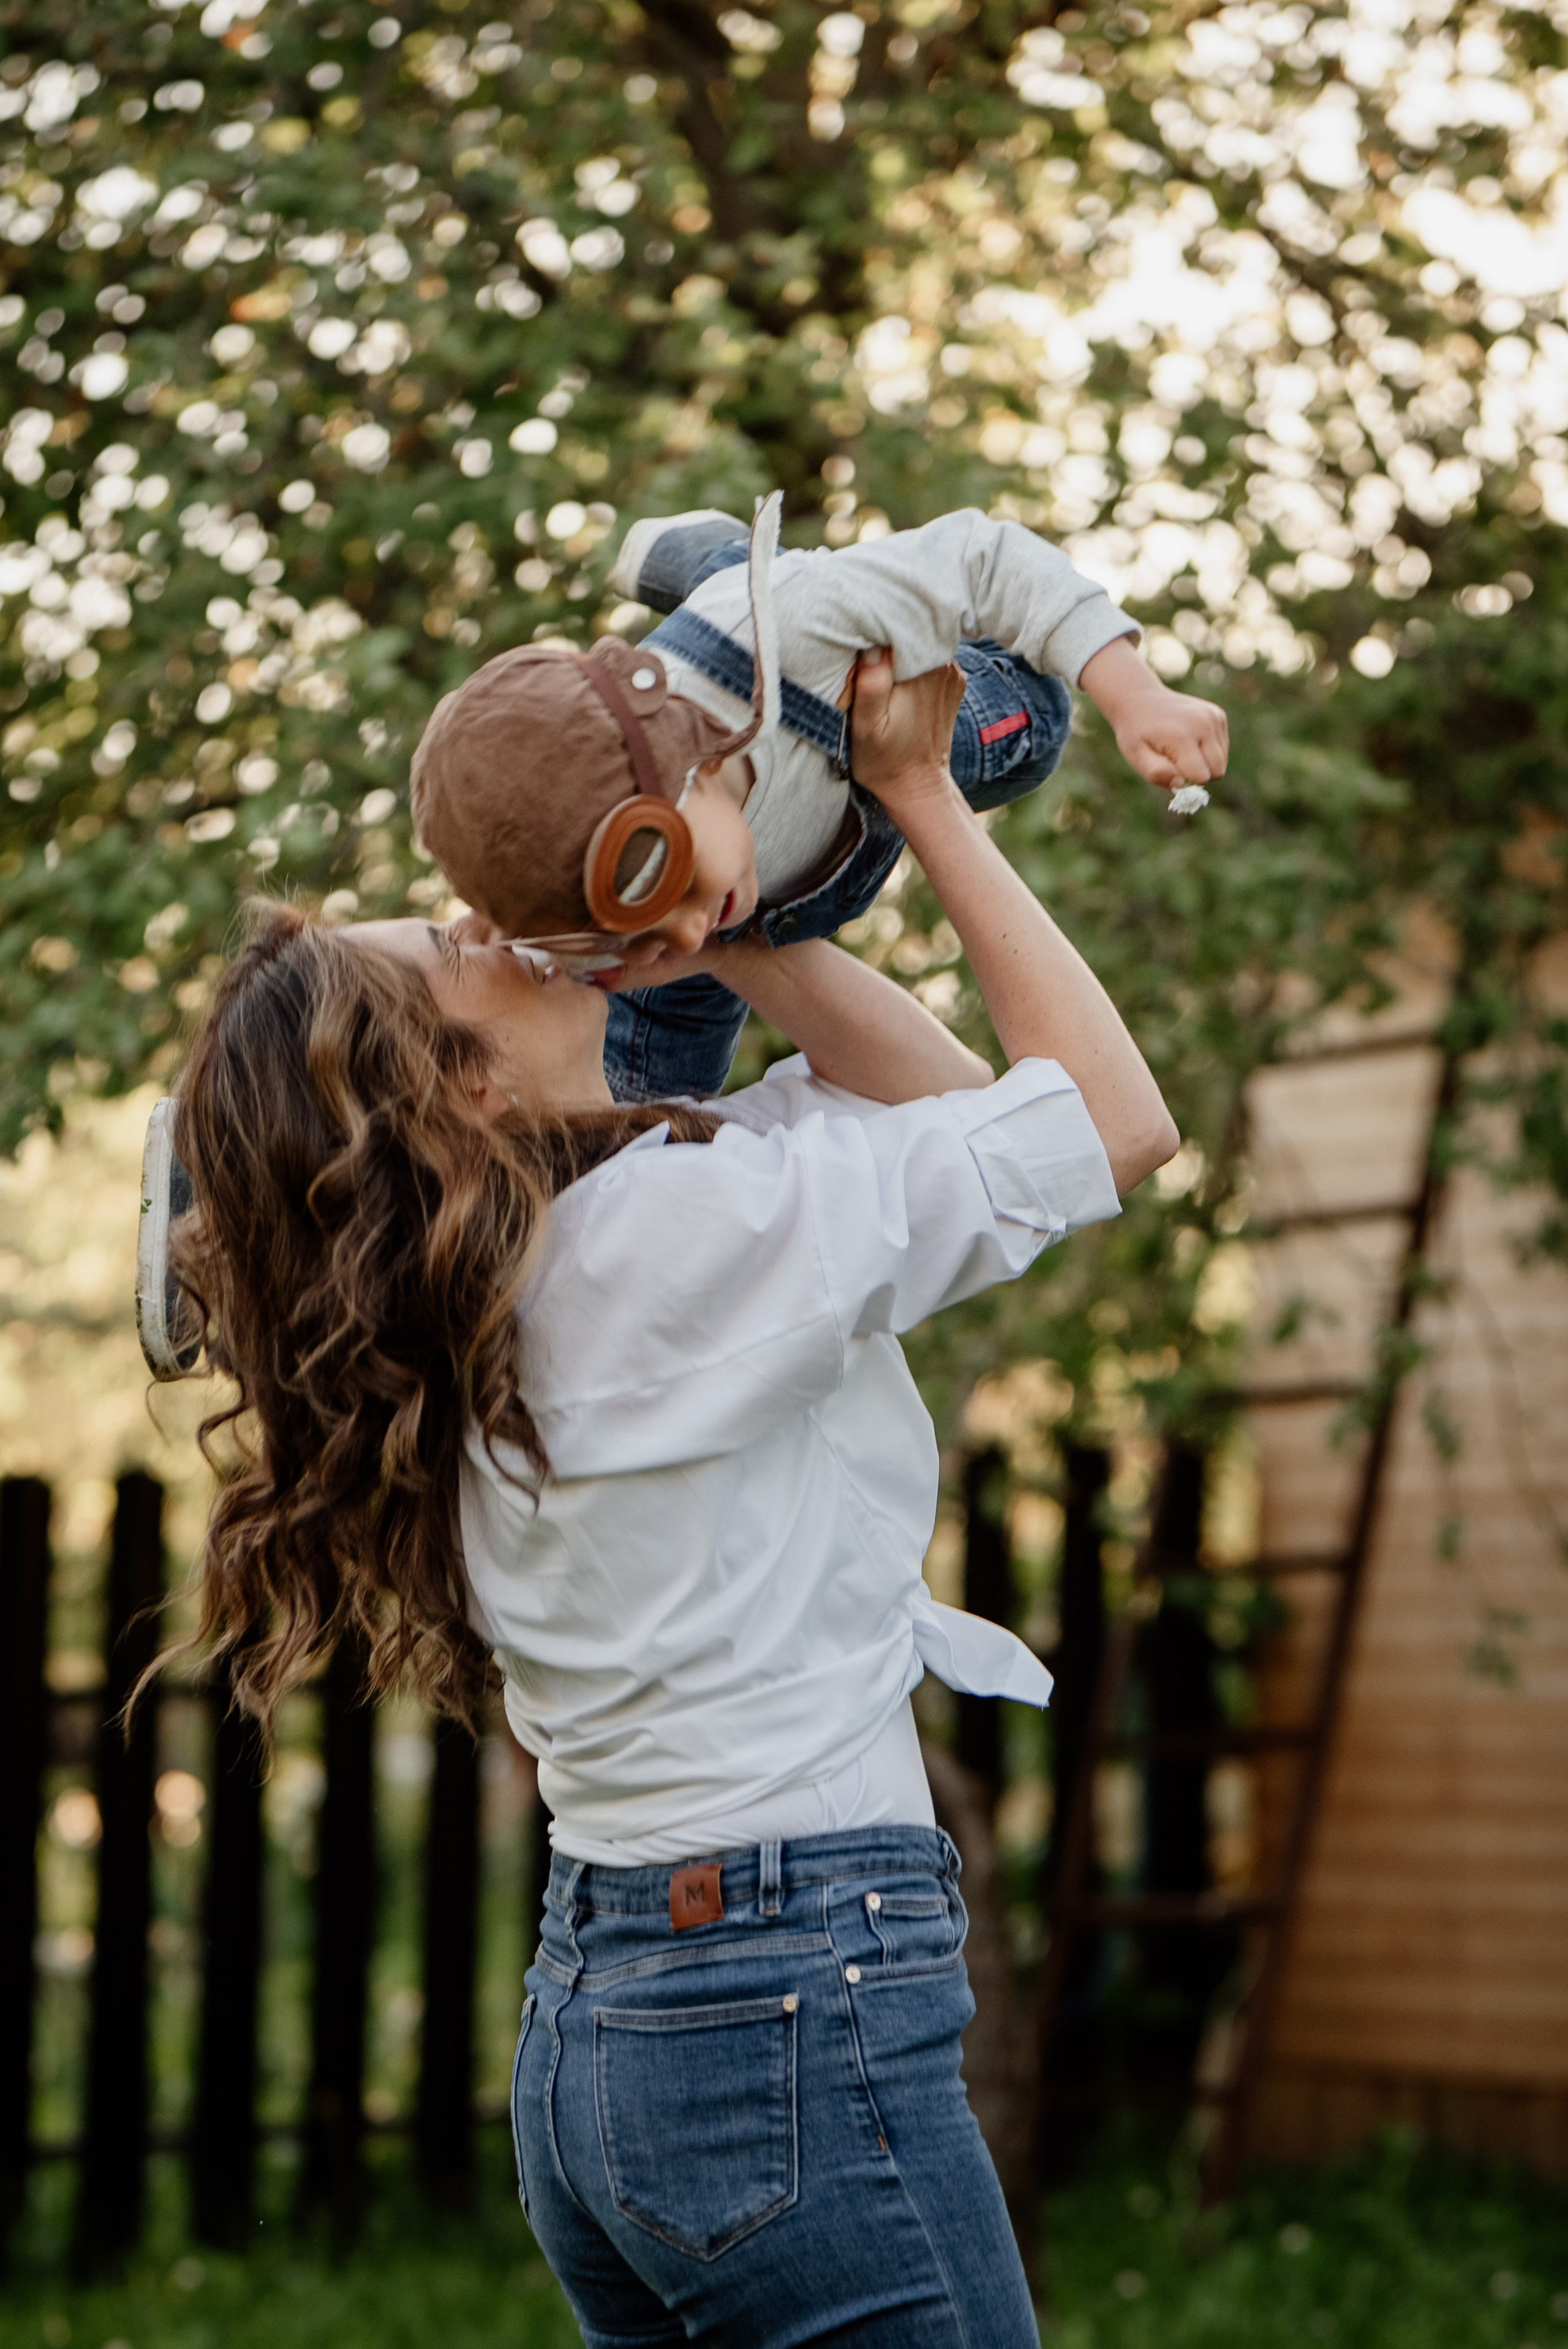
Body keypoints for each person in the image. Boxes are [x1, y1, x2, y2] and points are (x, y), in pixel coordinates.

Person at [157, 656, 1177, 2347]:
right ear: (463, 1091)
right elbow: (1105, 1127)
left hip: (613, 2029)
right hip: (788, 2003)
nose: (495, 922)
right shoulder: (667, 1255)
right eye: (460, 952)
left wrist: (713, 901)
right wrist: (915, 800)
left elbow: (932, 1117)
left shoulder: (536, 1271)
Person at [412, 494, 1228, 1101]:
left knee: (1035, 728)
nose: (696, 927)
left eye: (681, 888)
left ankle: (721, 565)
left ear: (680, 763)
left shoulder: (782, 635)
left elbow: (986, 560)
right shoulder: (651, 915)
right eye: (642, 934)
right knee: (648, 1105)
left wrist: (1135, 694)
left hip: (839, 701)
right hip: (784, 866)